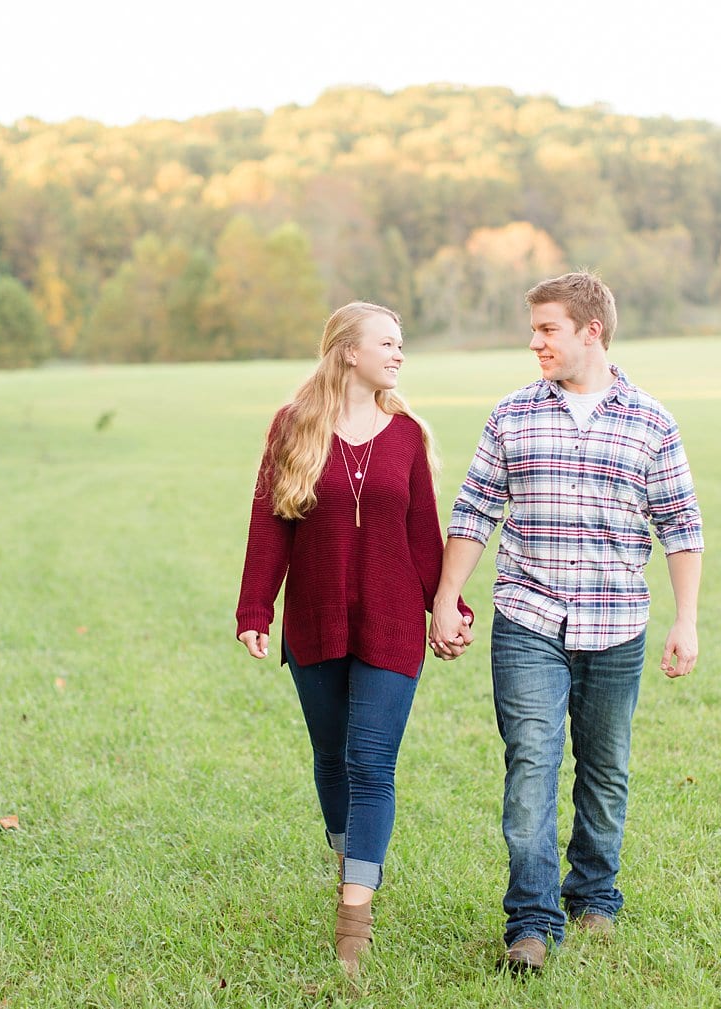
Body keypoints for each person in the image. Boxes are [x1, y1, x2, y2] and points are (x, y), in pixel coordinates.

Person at [428, 272, 703, 973]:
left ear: (592, 331)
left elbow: (680, 526)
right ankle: (530, 918)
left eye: (547, 329)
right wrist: (446, 594)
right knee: (531, 765)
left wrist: (687, 620)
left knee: (605, 769)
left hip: (617, 624)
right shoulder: (510, 416)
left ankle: (594, 897)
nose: (534, 342)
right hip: (527, 618)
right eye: (534, 329)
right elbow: (474, 511)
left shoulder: (651, 421)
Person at [236, 301, 471, 976]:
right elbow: (269, 526)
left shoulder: (406, 433)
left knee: (371, 763)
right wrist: (255, 609)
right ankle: (353, 857)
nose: (399, 355)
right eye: (387, 343)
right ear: (347, 351)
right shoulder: (293, 426)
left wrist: (446, 606)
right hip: (314, 618)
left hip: (393, 623)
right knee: (331, 758)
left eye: (400, 344)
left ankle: (352, 924)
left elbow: (423, 534)